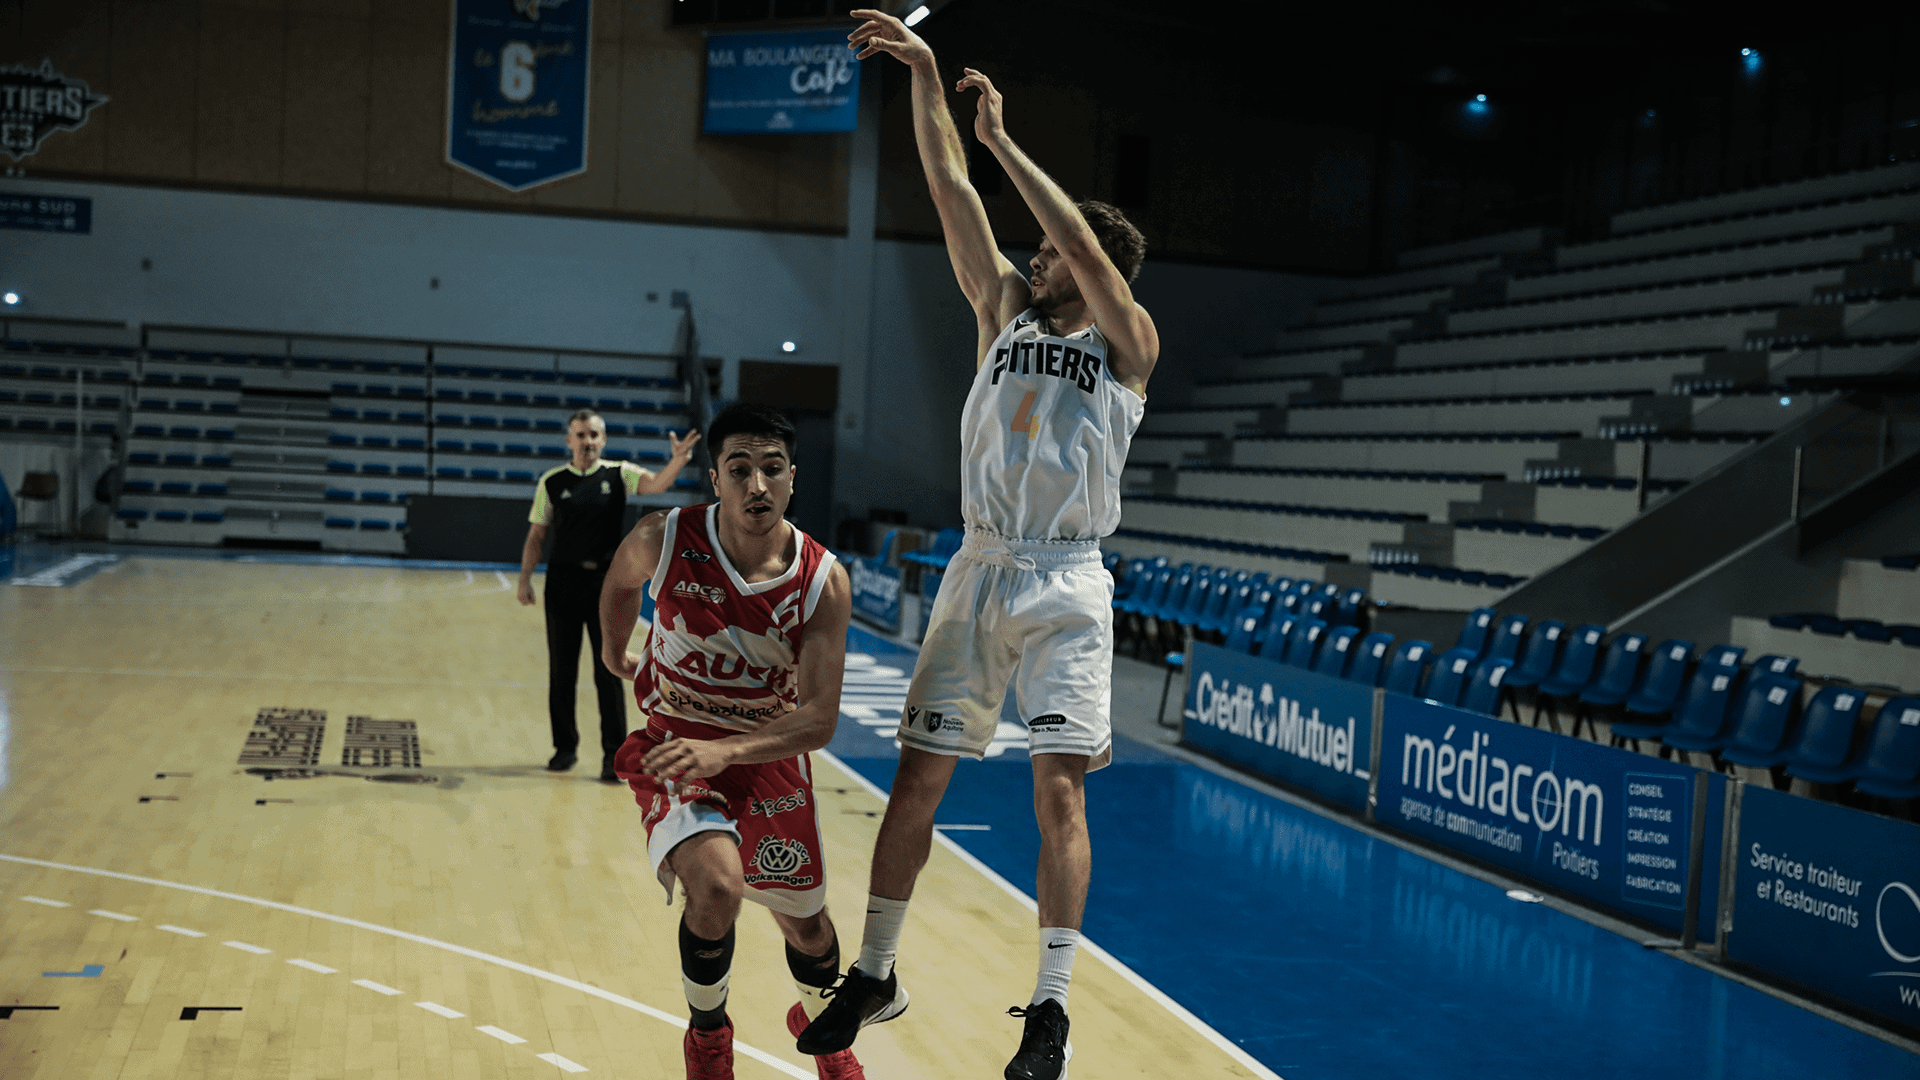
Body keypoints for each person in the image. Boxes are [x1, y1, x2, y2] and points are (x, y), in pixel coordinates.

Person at [796, 12, 1158, 1080]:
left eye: (1048, 252)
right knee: (916, 780)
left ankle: (1049, 1008)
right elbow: (949, 187)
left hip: (1067, 579)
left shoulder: (1130, 344)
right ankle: (876, 969)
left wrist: (1005, 139)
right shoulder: (1003, 309)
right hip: (980, 565)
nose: (1036, 258)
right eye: (1037, 250)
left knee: (1058, 790)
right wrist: (918, 77)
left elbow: (1087, 245)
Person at [600, 403, 862, 1080]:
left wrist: (731, 750)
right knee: (717, 888)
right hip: (676, 750)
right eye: (739, 469)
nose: (757, 485)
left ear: (792, 478)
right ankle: (708, 1031)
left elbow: (820, 719)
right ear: (715, 478)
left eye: (771, 469)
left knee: (808, 928)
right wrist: (611, 645)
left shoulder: (821, 580)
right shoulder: (663, 538)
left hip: (767, 755)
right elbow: (619, 583)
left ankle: (821, 1024)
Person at [518, 408, 699, 781]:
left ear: (604, 440)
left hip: (607, 586)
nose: (588, 442)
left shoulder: (619, 474)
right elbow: (537, 536)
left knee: (610, 667)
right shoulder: (551, 482)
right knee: (562, 670)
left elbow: (657, 485)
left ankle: (612, 755)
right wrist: (524, 580)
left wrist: (677, 461)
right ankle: (564, 749)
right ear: (569, 440)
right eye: (581, 435)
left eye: (595, 435)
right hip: (562, 586)